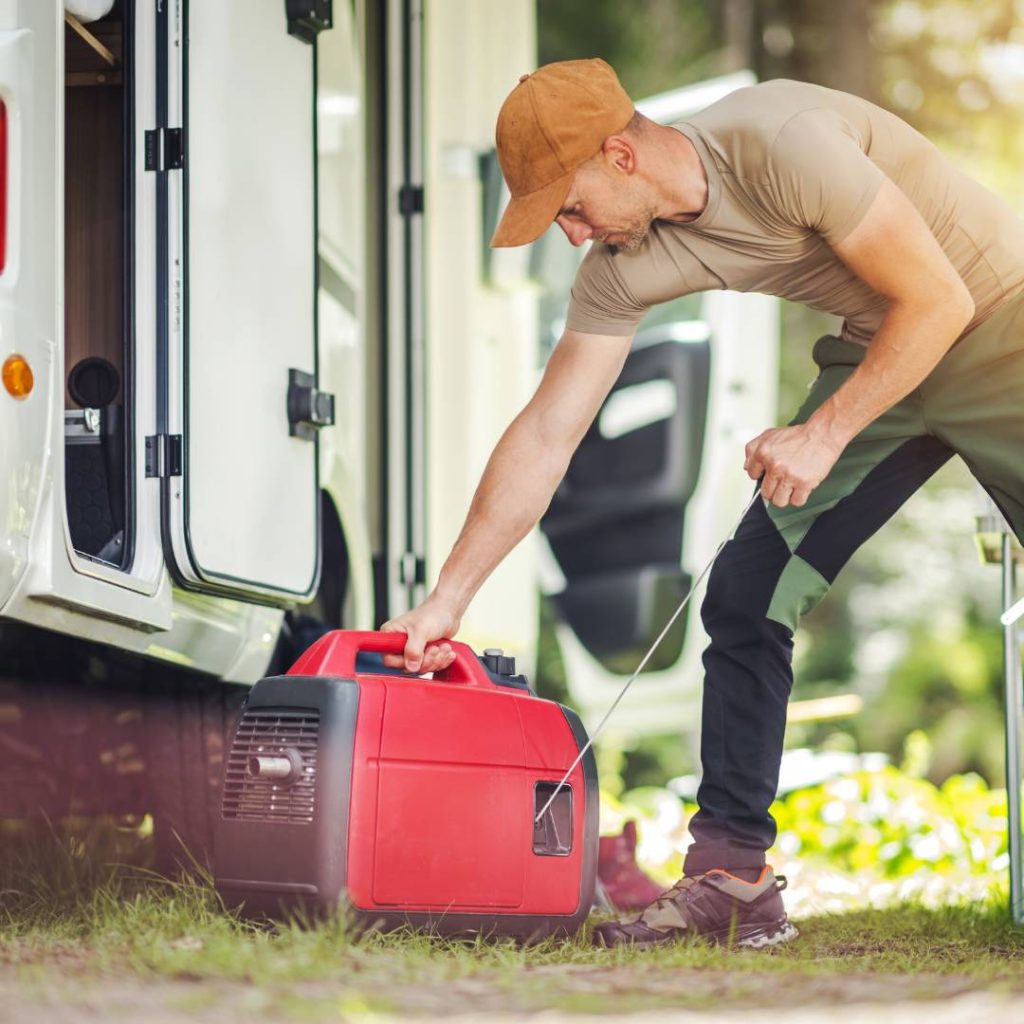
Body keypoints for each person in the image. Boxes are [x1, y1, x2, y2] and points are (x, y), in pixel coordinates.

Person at [380, 58, 1024, 948]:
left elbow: (940, 296)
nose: (571, 236)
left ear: (621, 155)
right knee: (747, 592)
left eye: (570, 207)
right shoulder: (619, 265)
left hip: (997, 318)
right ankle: (734, 879)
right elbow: (546, 433)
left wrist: (822, 433)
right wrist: (449, 598)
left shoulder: (782, 143)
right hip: (886, 347)